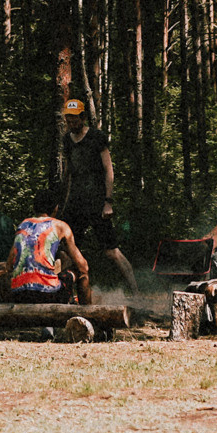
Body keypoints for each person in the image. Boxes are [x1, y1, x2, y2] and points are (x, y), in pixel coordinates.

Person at [59, 97, 138, 290]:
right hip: (76, 203)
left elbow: (108, 169)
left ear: (83, 117)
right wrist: (63, 203)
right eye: (68, 120)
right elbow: (68, 173)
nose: (72, 124)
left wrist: (108, 202)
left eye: (75, 119)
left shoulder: (96, 137)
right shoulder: (67, 141)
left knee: (111, 251)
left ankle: (135, 290)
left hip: (96, 202)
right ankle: (68, 293)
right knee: (67, 250)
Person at [7, 184, 91, 303]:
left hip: (18, 295)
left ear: (34, 208)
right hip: (48, 295)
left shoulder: (23, 225)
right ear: (55, 208)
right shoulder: (60, 226)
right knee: (82, 275)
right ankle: (89, 316)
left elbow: (9, 265)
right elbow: (84, 266)